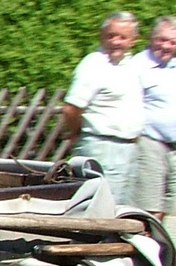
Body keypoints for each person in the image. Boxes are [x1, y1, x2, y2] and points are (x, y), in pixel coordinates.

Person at [61, 11, 143, 205]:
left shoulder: (131, 65)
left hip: (128, 147)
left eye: (122, 37)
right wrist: (76, 132)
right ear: (101, 35)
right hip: (102, 146)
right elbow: (71, 108)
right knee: (101, 206)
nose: (116, 41)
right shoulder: (93, 64)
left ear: (133, 40)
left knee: (122, 206)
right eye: (111, 35)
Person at [129, 16, 176, 220]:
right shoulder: (138, 66)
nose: (166, 46)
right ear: (151, 38)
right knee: (149, 207)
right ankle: (143, 249)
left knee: (166, 204)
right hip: (149, 142)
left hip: (175, 147)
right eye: (161, 39)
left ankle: (156, 247)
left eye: (172, 42)